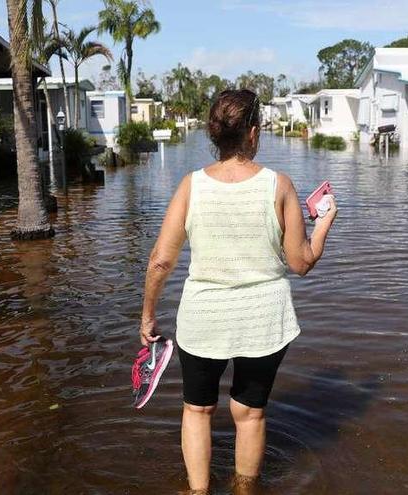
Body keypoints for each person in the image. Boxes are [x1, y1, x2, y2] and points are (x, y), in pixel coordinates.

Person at [140, 89, 337, 494]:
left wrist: (147, 315)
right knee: (249, 414)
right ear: (253, 132)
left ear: (215, 134)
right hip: (264, 320)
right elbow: (301, 263)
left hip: (203, 318)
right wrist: (324, 224)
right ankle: (245, 490)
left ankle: (198, 492)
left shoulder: (191, 185)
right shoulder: (279, 186)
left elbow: (161, 260)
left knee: (197, 409)